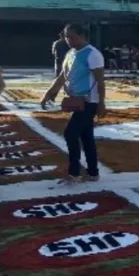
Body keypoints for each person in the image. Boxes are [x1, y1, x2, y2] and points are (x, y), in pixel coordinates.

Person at [39, 24, 107, 185]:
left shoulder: (93, 54)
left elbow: (100, 81)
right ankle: (92, 172)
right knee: (86, 137)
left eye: (71, 36)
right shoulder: (70, 53)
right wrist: (49, 93)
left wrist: (101, 103)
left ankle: (74, 173)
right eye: (66, 36)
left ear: (82, 35)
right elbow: (63, 76)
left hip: (89, 101)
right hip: (76, 101)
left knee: (71, 134)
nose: (68, 40)